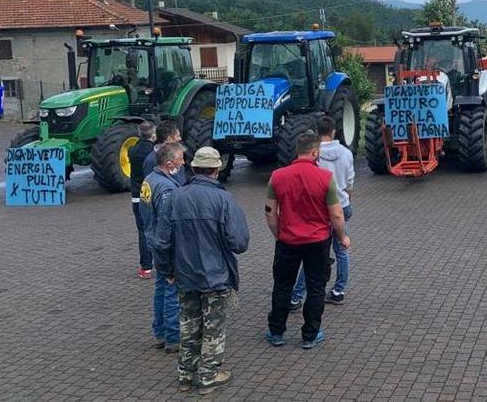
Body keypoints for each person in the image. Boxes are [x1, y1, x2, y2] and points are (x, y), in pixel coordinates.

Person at [152, 147, 250, 395]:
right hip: (216, 275)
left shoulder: (174, 197)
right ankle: (208, 375)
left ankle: (186, 374)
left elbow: (161, 242)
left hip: (184, 274)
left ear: (193, 169)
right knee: (213, 327)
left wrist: (167, 270)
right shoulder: (224, 199)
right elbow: (239, 242)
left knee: (189, 325)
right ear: (216, 170)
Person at [264, 131, 350, 350]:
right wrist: (342, 237)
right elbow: (337, 214)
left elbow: (270, 212)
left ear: (296, 150)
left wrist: (278, 234)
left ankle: (276, 331)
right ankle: (310, 334)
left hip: (287, 240)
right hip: (317, 241)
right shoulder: (325, 178)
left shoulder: (277, 176)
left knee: (282, 286)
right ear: (315, 152)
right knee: (315, 287)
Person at [291, 116, 355, 308]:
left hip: (319, 208)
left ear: (317, 132)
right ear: (334, 131)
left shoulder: (314, 155)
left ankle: (297, 296)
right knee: (341, 249)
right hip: (341, 206)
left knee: (312, 253)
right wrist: (346, 201)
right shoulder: (345, 153)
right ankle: (339, 290)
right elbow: (350, 182)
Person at [139, 142, 186, 355]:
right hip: (165, 246)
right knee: (172, 290)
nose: (183, 162)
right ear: (169, 163)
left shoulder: (149, 180)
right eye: (180, 159)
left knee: (160, 289)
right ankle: (173, 337)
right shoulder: (167, 188)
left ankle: (159, 333)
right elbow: (167, 224)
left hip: (154, 242)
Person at [129, 121, 156, 279]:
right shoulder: (153, 153)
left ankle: (146, 267)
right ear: (153, 135)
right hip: (151, 194)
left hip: (137, 197)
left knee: (143, 231)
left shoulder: (132, 151)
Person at [143, 120, 188, 185]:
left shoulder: (178, 154)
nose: (180, 139)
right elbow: (150, 185)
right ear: (169, 139)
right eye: (177, 136)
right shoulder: (151, 160)